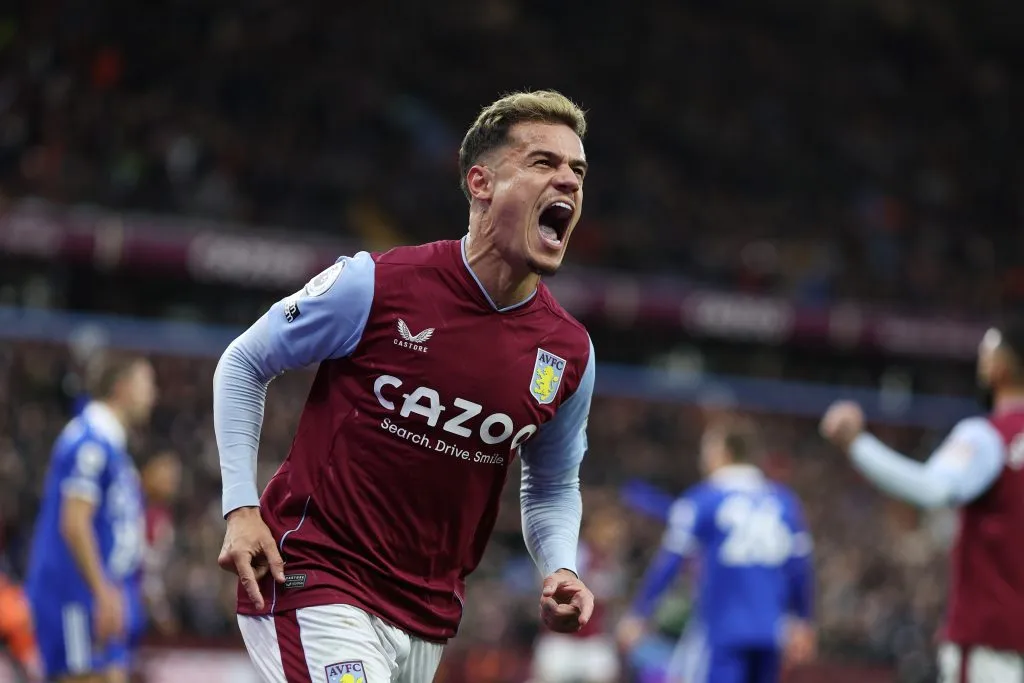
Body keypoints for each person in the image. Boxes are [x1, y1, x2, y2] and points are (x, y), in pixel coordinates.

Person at [214, 89, 597, 683]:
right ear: (481, 183)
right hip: (314, 575)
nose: (568, 182)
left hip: (428, 615)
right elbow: (243, 363)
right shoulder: (376, 285)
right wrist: (240, 508)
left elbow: (550, 484)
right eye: (544, 163)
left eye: (577, 170)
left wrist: (561, 567)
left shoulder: (569, 352)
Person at [820, 320, 1024, 682]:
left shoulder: (987, 437)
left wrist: (856, 444)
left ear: (1000, 366)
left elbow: (933, 490)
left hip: (994, 648)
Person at [616, 417, 816, 683]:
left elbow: (670, 561)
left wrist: (640, 613)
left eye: (707, 449)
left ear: (724, 452)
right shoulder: (785, 503)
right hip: (770, 633)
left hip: (722, 631)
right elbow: (800, 568)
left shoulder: (704, 500)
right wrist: (804, 619)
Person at [25, 356, 158, 683]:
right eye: (147, 384)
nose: (153, 394)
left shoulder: (111, 445)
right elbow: (74, 522)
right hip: (74, 592)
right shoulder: (89, 441)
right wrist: (102, 591)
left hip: (97, 591)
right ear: (121, 387)